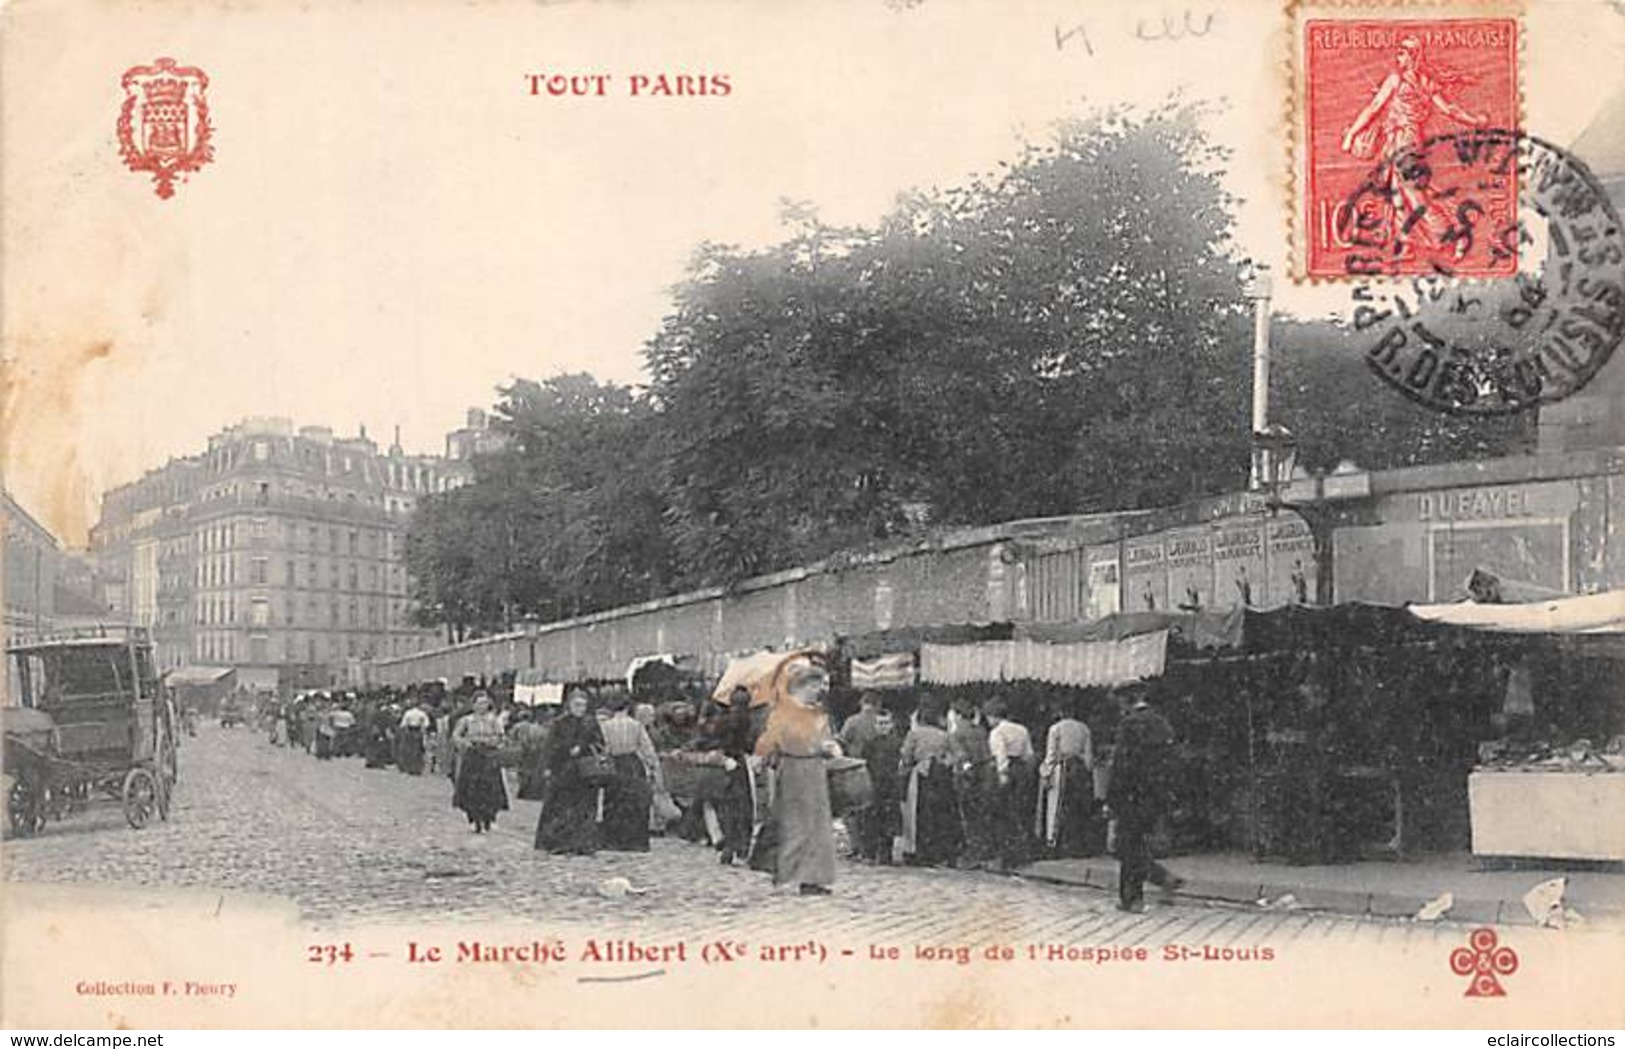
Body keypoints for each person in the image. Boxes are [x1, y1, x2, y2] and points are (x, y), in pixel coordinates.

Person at [1340, 35, 1487, 257]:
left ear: (1413, 56)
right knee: (1395, 195)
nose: (1398, 56)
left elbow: (1374, 108)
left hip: (1405, 143)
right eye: (1398, 51)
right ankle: (1407, 242)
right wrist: (1475, 121)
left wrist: (1352, 134)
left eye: (1403, 52)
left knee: (1416, 197)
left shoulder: (1398, 81)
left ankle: (1453, 234)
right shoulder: (1424, 82)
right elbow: (1450, 110)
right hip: (1400, 143)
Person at [753, 659, 842, 895]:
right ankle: (787, 875)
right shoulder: (784, 713)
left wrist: (831, 746)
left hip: (815, 771)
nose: (818, 690)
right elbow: (784, 740)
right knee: (794, 825)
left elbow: (824, 737)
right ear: (801, 686)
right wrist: (818, 747)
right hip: (794, 770)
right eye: (814, 686)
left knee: (817, 826)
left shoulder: (817, 713)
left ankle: (813, 878)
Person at [1107, 692, 1185, 913]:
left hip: (1132, 794)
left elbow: (1122, 765)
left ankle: (1139, 894)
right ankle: (1134, 896)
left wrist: (1112, 798)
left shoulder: (1129, 724)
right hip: (1154, 795)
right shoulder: (1161, 723)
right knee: (1135, 844)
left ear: (1126, 701)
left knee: (1126, 845)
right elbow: (1171, 763)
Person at [535, 688, 605, 855]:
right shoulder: (559, 723)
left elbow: (600, 743)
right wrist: (549, 766)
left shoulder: (591, 723)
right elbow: (550, 747)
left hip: (586, 772)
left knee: (585, 808)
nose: (580, 708)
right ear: (569, 705)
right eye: (577, 705)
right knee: (562, 807)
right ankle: (561, 842)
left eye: (583, 705)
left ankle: (583, 843)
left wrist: (584, 747)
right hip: (563, 770)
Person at [897, 693, 962, 868]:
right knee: (939, 814)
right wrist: (943, 763)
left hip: (920, 776)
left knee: (917, 814)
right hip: (940, 778)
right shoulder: (945, 735)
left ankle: (917, 851)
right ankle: (938, 853)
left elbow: (906, 756)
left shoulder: (914, 734)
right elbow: (960, 755)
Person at [599, 695, 659, 852]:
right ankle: (634, 841)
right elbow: (647, 749)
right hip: (632, 764)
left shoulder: (606, 726)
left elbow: (603, 748)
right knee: (634, 802)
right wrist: (652, 766)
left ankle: (612, 840)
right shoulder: (636, 725)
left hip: (614, 764)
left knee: (614, 801)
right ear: (627, 708)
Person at [1038, 696, 1096, 858]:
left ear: (1061, 711)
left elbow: (1051, 754)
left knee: (1056, 806)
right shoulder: (1084, 728)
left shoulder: (1055, 729)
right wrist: (1088, 770)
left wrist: (1045, 772)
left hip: (1061, 768)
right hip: (1079, 769)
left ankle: (1054, 843)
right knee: (1077, 807)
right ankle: (1076, 844)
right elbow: (1088, 755)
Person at [986, 695, 1037, 871]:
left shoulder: (997, 732)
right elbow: (1029, 754)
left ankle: (1005, 856)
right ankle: (1021, 853)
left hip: (1006, 770)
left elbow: (1000, 754)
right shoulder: (1022, 729)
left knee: (1001, 814)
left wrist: (1002, 775)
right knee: (1019, 812)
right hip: (1021, 769)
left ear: (993, 716)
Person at [948, 697, 997, 869]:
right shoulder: (981, 730)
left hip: (967, 779)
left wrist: (965, 771)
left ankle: (973, 854)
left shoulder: (956, 734)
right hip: (985, 778)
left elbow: (962, 758)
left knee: (968, 818)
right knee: (982, 816)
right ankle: (985, 852)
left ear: (957, 715)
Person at [451, 693, 509, 833]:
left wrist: (495, 742)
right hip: (473, 755)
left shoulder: (494, 720)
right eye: (479, 703)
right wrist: (465, 743)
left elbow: (502, 737)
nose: (482, 706)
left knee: (490, 787)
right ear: (473, 705)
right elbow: (456, 736)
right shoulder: (466, 720)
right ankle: (473, 817)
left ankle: (490, 817)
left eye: (485, 703)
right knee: (471, 787)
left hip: (489, 755)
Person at [713, 687, 757, 865]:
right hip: (740, 763)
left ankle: (728, 847)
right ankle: (741, 848)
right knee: (744, 807)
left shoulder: (722, 721)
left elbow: (715, 740)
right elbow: (749, 745)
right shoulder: (747, 720)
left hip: (724, 764)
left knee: (728, 807)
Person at [858, 706, 904, 864]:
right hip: (874, 785)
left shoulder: (897, 743)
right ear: (875, 725)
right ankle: (870, 854)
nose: (883, 726)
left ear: (891, 725)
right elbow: (865, 763)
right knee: (871, 819)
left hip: (891, 786)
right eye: (880, 723)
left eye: (886, 723)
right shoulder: (869, 744)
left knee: (889, 821)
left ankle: (886, 854)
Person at [838, 692, 884, 760]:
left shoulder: (851, 721)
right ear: (878, 706)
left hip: (855, 760)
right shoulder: (883, 722)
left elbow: (842, 741)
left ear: (861, 704)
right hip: (876, 760)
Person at [397, 701, 431, 775]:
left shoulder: (408, 713)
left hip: (410, 731)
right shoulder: (422, 713)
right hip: (418, 731)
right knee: (418, 750)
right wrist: (422, 729)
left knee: (409, 750)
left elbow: (403, 724)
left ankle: (410, 768)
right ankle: (417, 769)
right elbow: (427, 724)